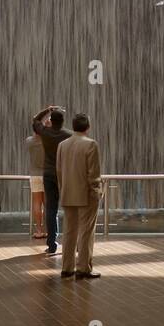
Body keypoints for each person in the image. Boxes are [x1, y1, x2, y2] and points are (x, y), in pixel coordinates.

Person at [56, 113, 102, 279]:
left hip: (68, 193)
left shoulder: (62, 145)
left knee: (69, 232)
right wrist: (97, 191)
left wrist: (63, 189)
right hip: (86, 195)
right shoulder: (91, 144)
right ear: (88, 127)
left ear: (73, 126)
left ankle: (67, 268)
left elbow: (59, 171)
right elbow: (93, 174)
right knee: (86, 232)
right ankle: (83, 268)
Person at [32, 105, 71, 255]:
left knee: (51, 209)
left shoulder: (45, 133)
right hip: (65, 174)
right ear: (63, 121)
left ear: (51, 121)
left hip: (48, 174)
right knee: (71, 208)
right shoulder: (69, 135)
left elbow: (35, 120)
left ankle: (52, 244)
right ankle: (73, 243)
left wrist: (48, 110)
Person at [25, 130, 47, 238]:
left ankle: (38, 230)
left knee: (36, 203)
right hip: (47, 174)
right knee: (47, 204)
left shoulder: (29, 141)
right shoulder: (48, 141)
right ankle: (48, 230)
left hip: (34, 175)